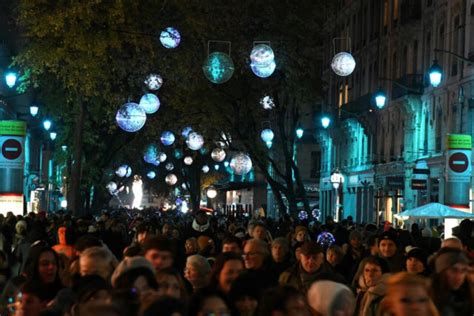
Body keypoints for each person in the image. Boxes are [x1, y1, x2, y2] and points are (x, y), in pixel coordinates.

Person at [431, 247, 473, 315]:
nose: (459, 276)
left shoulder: (467, 297)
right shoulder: (425, 298)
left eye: (463, 271)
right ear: (441, 271)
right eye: (453, 270)